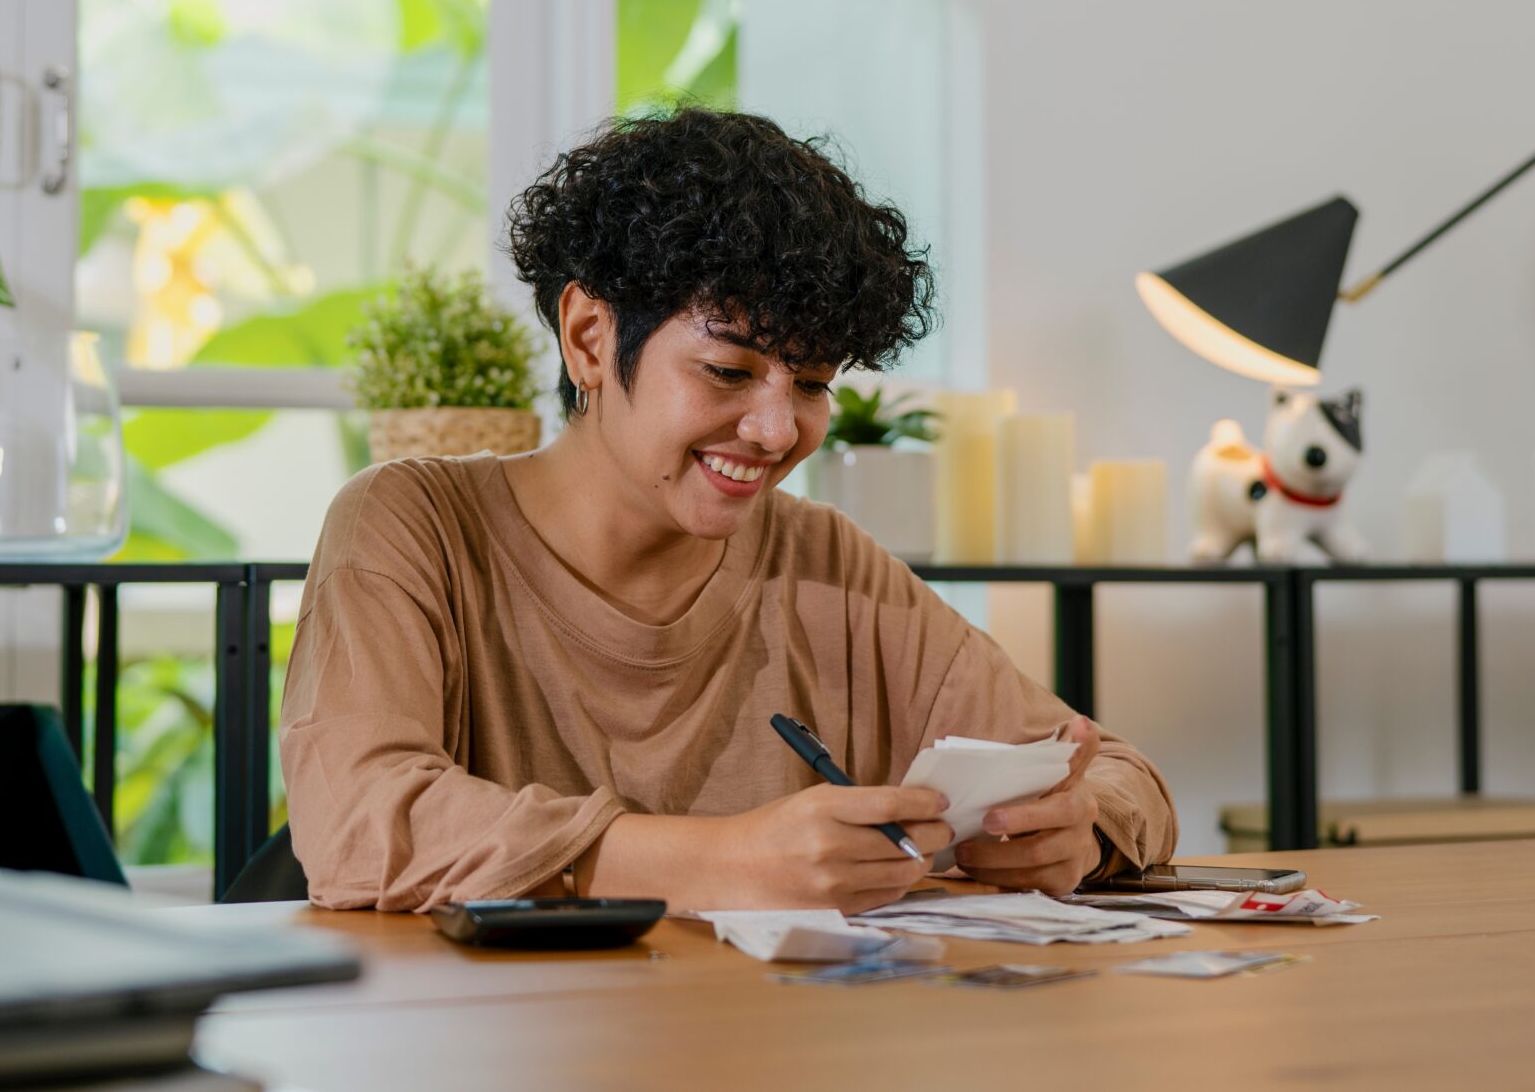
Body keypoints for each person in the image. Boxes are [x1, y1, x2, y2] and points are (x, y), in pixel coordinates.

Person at [280, 106, 1177, 914]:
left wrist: (1077, 826)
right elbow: (359, 822)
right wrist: (717, 861)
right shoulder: (410, 526)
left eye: (814, 384)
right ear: (590, 338)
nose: (778, 428)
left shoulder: (824, 564)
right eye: (728, 371)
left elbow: (1116, 771)